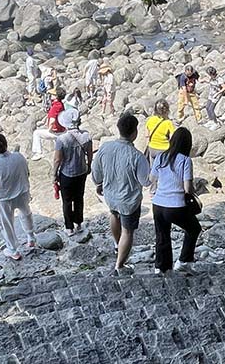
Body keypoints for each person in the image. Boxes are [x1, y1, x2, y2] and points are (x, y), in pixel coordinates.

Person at [91, 113, 150, 275]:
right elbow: (145, 181)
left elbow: (95, 172)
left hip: (110, 196)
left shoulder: (105, 147)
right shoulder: (137, 156)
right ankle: (120, 265)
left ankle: (118, 245)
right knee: (128, 231)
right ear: (135, 132)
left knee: (114, 215)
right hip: (129, 201)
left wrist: (98, 184)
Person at [151, 127, 202, 274]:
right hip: (175, 205)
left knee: (162, 235)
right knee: (193, 229)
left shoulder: (160, 157)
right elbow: (187, 188)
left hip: (158, 204)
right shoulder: (186, 160)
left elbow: (152, 179)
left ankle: (161, 267)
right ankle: (184, 261)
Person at [0, 133, 36, 260]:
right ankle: (30, 237)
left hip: (5, 199)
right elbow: (27, 172)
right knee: (26, 214)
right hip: (23, 192)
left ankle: (13, 250)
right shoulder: (19, 157)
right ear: (6, 143)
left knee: (7, 224)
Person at [53, 108, 93, 236]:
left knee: (67, 200)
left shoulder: (61, 139)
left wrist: (54, 174)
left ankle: (69, 227)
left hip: (67, 173)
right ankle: (79, 223)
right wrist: (89, 165)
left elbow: (57, 159)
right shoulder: (86, 135)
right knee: (79, 198)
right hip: (81, 171)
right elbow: (90, 154)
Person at [145, 100, 176, 193]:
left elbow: (147, 135)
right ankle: (164, 189)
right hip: (164, 149)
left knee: (153, 169)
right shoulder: (168, 123)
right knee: (165, 170)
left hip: (152, 148)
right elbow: (173, 137)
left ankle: (153, 190)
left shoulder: (150, 120)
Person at [31, 88, 66, 160]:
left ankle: (38, 153)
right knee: (57, 143)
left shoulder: (55, 107)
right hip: (62, 130)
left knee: (36, 133)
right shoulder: (60, 104)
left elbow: (52, 120)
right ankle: (61, 153)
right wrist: (44, 121)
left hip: (56, 132)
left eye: (53, 94)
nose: (51, 95)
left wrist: (49, 130)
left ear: (56, 96)